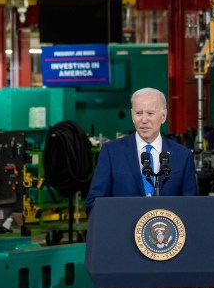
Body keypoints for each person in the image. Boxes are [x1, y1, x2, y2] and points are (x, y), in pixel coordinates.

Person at [84, 87, 198, 215]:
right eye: (139, 113)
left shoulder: (182, 156)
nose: (144, 120)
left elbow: (191, 207)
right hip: (122, 232)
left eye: (150, 113)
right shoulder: (111, 152)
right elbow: (94, 203)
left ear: (163, 116)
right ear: (132, 115)